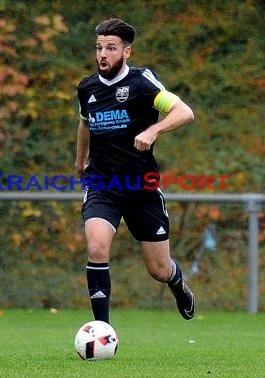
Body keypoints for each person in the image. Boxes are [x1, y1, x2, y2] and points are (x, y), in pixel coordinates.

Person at [75, 18, 196, 324]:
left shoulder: (142, 82)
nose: (103, 54)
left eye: (111, 48)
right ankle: (101, 329)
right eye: (99, 47)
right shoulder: (87, 87)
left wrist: (154, 131)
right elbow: (85, 124)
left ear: (126, 52)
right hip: (103, 184)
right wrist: (80, 161)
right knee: (96, 246)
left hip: (141, 188)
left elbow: (184, 112)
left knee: (158, 269)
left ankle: (177, 282)